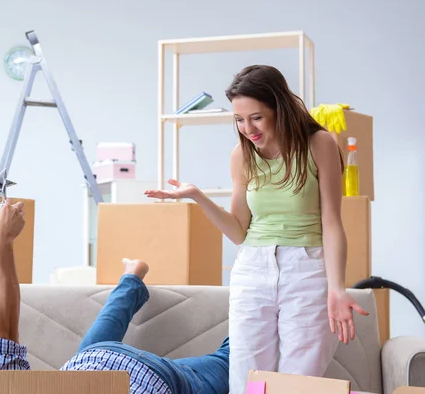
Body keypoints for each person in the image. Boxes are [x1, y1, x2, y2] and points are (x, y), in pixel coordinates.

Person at [144, 65, 369, 394]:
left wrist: (337, 288)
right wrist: (197, 197)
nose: (247, 128)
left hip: (306, 269)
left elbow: (332, 221)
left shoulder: (318, 143)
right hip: (252, 268)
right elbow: (238, 231)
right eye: (239, 119)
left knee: (298, 383)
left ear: (279, 108)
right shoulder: (242, 155)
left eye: (256, 117)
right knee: (248, 380)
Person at [0, 198, 231, 394]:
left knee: (228, 360)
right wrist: (2, 240)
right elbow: (3, 337)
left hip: (133, 372)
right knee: (93, 354)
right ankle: (131, 278)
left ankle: (132, 278)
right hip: (98, 362)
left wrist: (2, 239)